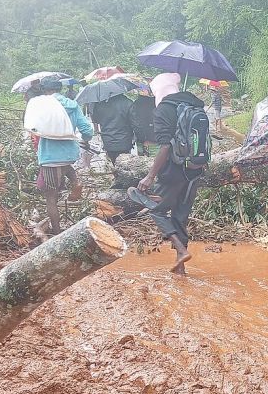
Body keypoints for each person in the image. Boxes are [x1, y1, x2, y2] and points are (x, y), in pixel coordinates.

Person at [128, 73, 205, 274]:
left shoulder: (163, 109)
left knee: (156, 209)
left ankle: (180, 250)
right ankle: (181, 269)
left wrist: (150, 176)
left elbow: (165, 147)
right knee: (180, 216)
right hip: (195, 169)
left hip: (173, 171)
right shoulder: (196, 106)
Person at [35, 78, 93, 235]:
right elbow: (86, 129)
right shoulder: (72, 105)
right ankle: (75, 180)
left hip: (49, 156)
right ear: (59, 89)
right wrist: (85, 139)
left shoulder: (42, 106)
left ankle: (57, 232)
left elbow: (33, 127)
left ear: (44, 90)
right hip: (69, 153)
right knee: (64, 165)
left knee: (51, 198)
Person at [88, 94, 134, 164]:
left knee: (112, 164)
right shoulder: (128, 103)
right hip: (125, 141)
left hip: (108, 141)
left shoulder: (100, 104)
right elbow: (134, 122)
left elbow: (96, 120)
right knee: (125, 165)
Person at [128, 92, 157, 156]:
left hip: (141, 140)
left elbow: (135, 124)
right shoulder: (158, 103)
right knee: (156, 163)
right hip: (155, 140)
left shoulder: (136, 104)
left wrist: (141, 138)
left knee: (142, 163)